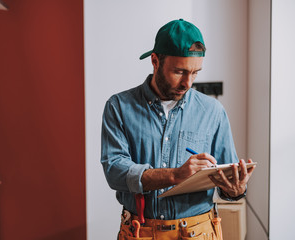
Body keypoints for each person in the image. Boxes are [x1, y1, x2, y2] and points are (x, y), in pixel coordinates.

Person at [101, 19, 255, 240]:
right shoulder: (119, 107)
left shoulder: (213, 111)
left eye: (195, 73)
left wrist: (235, 190)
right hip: (139, 232)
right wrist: (175, 175)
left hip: (200, 232)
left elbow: (227, 182)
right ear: (155, 61)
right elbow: (114, 171)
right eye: (180, 72)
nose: (188, 83)